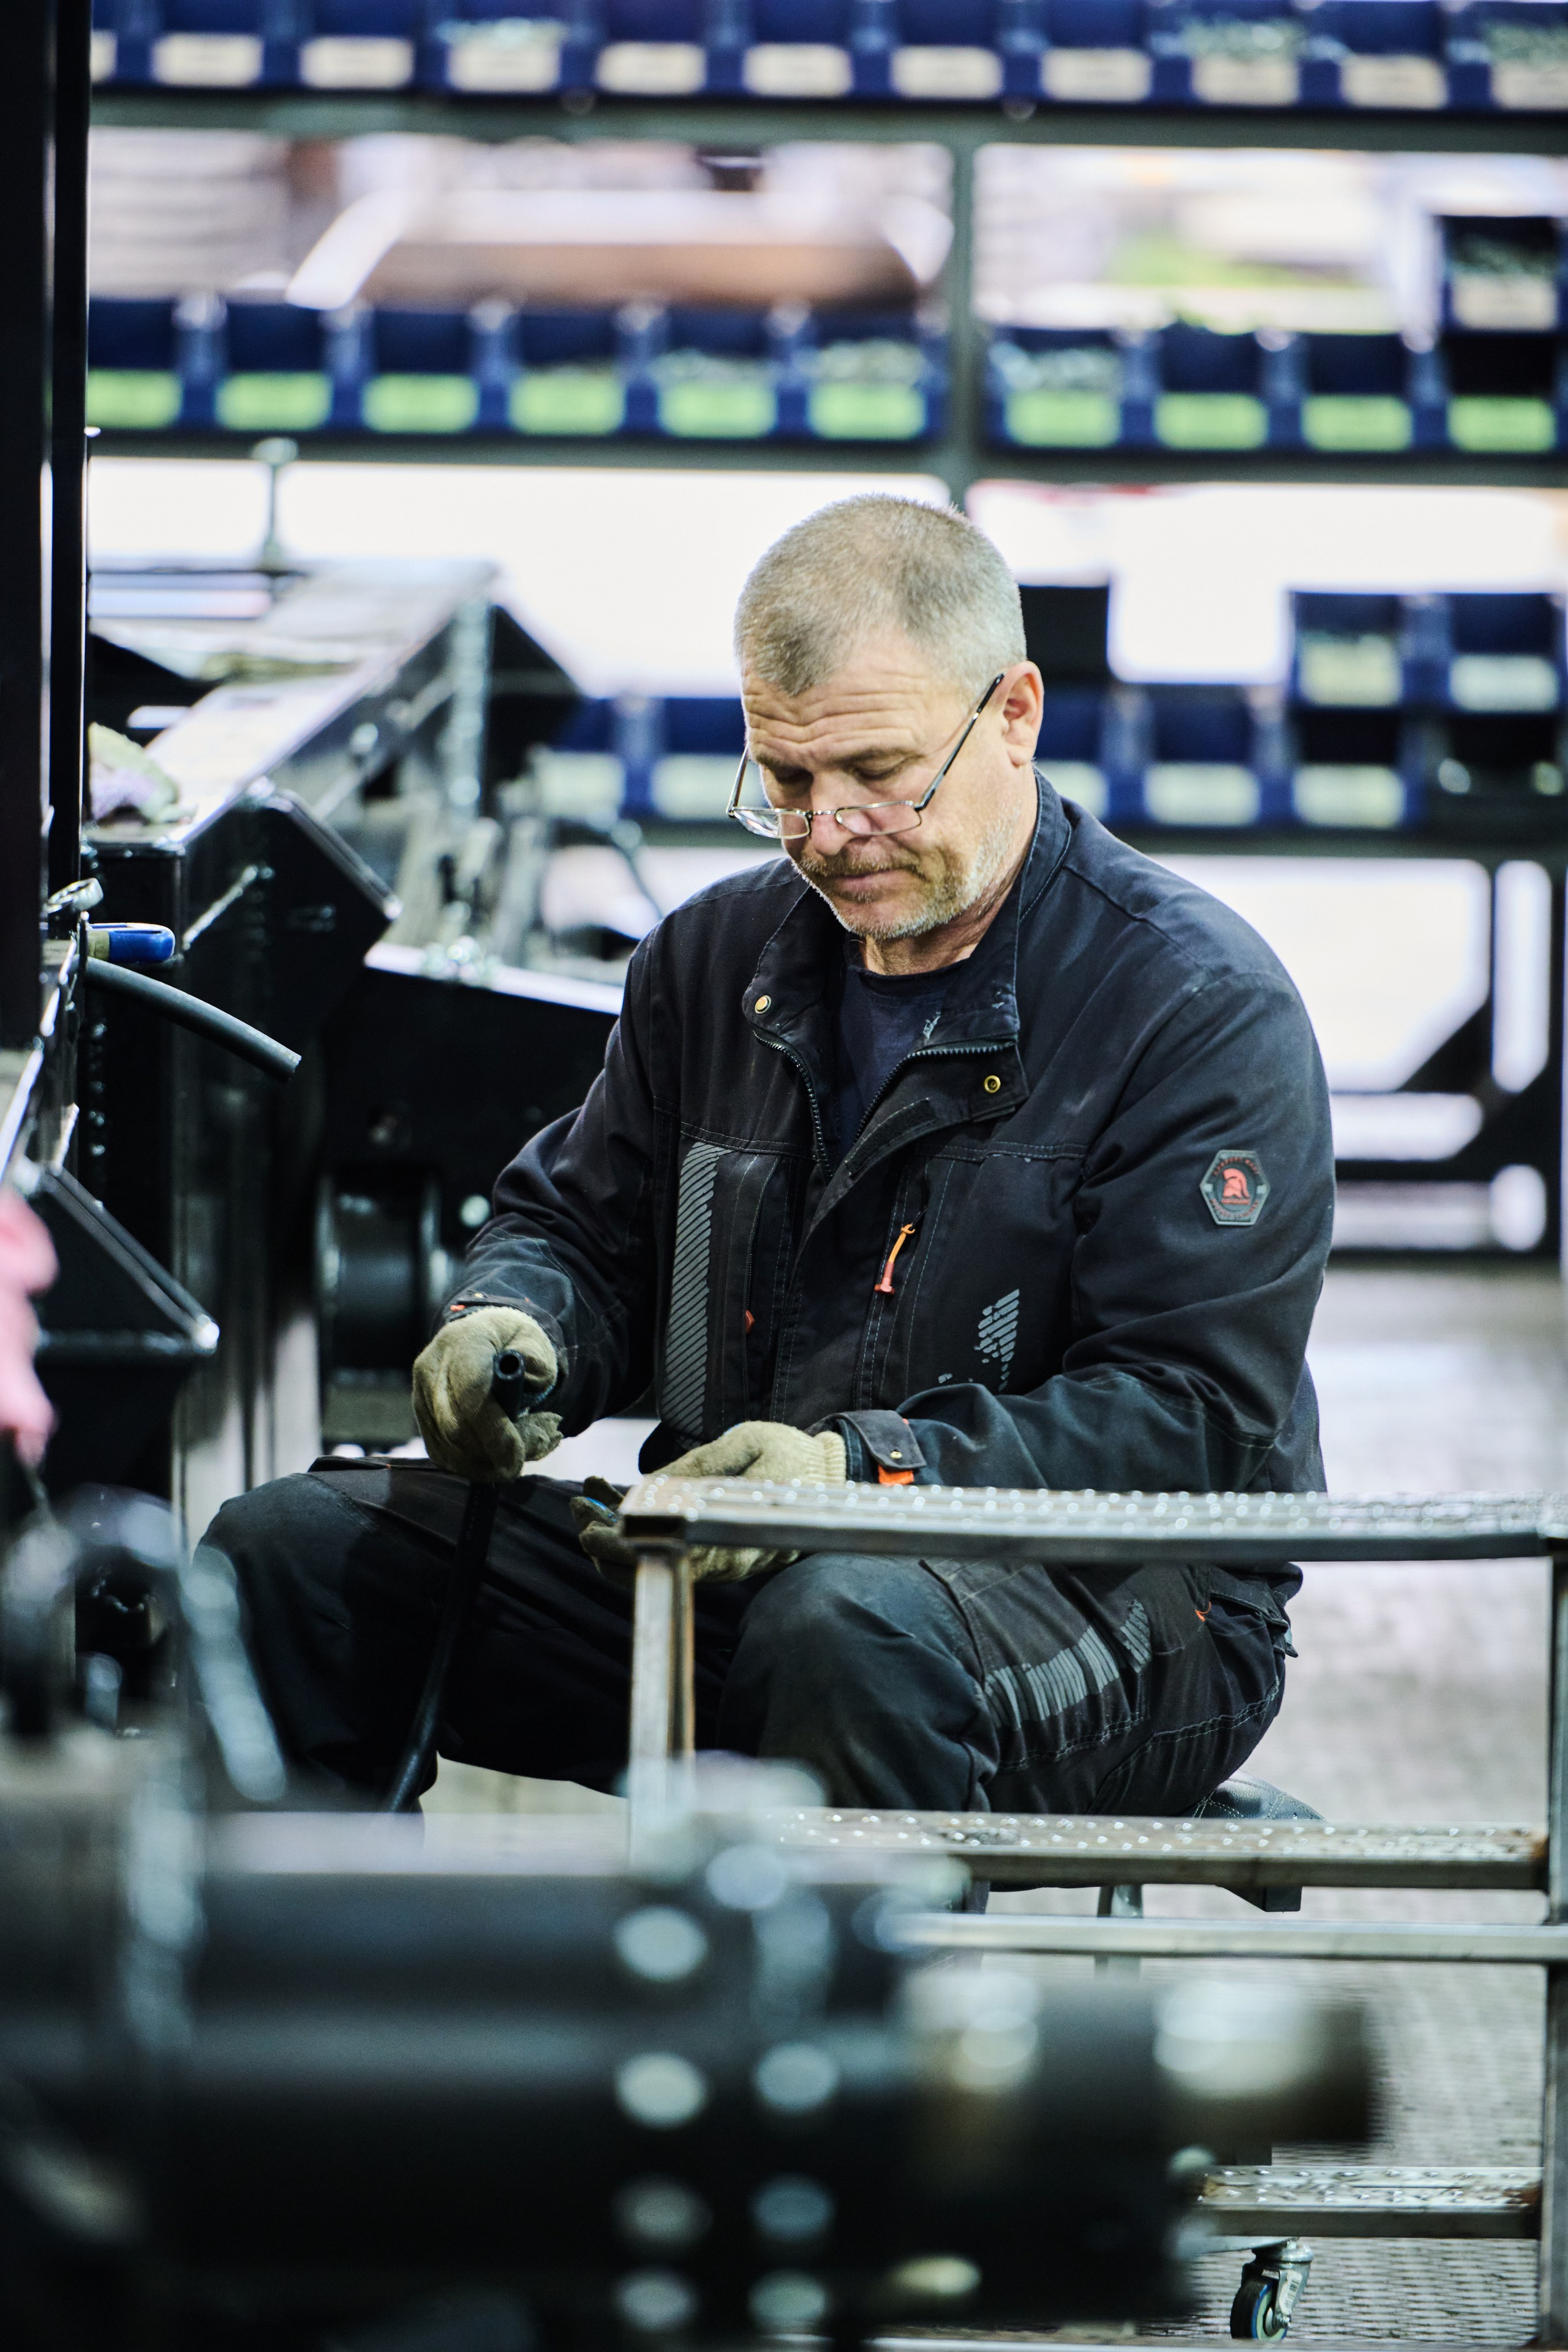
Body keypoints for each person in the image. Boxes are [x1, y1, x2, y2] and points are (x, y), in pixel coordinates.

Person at [208, 496, 1333, 1814]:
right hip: (736, 1557)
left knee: (844, 1635)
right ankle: (328, 1947)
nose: (827, 831)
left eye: (878, 772)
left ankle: (842, 1964)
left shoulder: (1191, 1007)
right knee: (284, 1559)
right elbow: (586, 1230)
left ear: (1014, 714)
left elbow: (1186, 1414)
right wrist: (518, 1325)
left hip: (1117, 1599)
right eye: (786, 783)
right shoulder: (714, 962)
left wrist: (857, 1473)